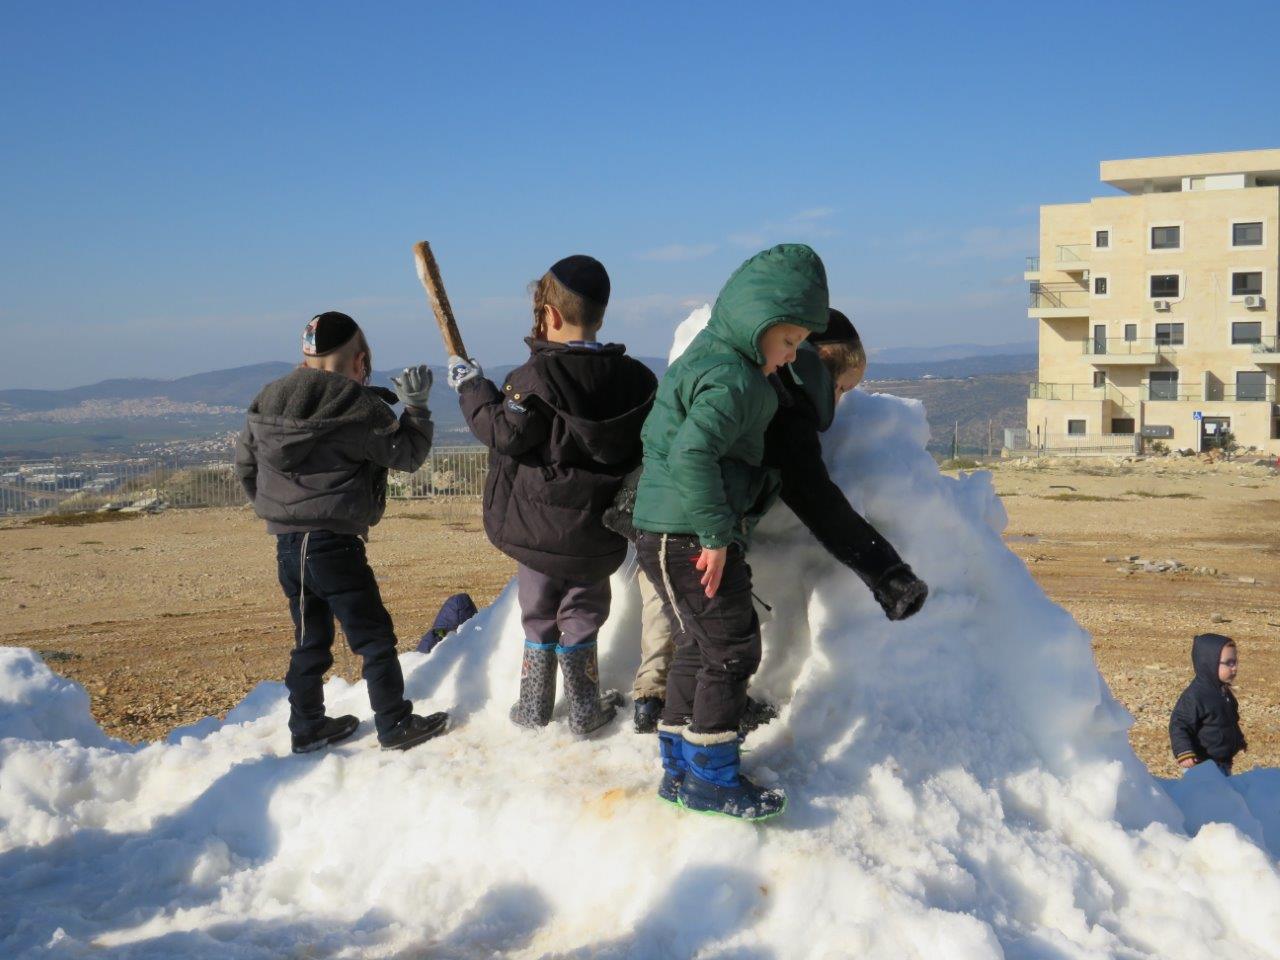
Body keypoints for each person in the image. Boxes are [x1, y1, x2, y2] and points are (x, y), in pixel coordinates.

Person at [630, 309, 928, 734]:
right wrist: (887, 573)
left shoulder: (728, 363)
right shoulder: (787, 408)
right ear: (820, 364)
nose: (839, 403)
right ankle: (710, 746)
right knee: (729, 645)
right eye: (842, 388)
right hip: (698, 532)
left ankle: (660, 710)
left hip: (650, 513)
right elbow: (819, 502)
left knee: (684, 629)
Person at [631, 242, 829, 821]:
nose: (791, 357)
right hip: (692, 535)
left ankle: (679, 765)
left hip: (662, 531)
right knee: (732, 648)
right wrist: (717, 536)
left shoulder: (706, 358)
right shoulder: (734, 379)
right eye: (788, 341)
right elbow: (694, 453)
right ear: (758, 322)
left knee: (697, 642)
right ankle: (712, 777)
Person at [448, 256, 657, 736]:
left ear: (551, 316)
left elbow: (504, 433)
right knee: (584, 615)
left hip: (537, 531)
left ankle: (534, 706)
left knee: (539, 613)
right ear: (599, 316)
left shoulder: (534, 379)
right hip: (598, 530)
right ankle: (585, 712)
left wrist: (471, 387)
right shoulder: (636, 382)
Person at [235, 311, 449, 753]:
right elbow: (406, 454)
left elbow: (246, 465)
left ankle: (307, 725)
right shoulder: (356, 406)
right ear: (360, 360)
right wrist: (418, 408)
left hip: (288, 544)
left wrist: (275, 510)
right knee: (373, 637)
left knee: (309, 639)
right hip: (333, 543)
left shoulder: (268, 400)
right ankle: (394, 723)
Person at [1169, 632, 1246, 775]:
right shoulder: (1195, 695)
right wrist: (1184, 751)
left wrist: (1239, 739)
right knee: (1208, 796)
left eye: (1235, 661)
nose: (1234, 667)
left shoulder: (1223, 692)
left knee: (1223, 794)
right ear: (1209, 663)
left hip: (1223, 762)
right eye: (1229, 662)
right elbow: (1179, 724)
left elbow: (1230, 721)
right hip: (1202, 764)